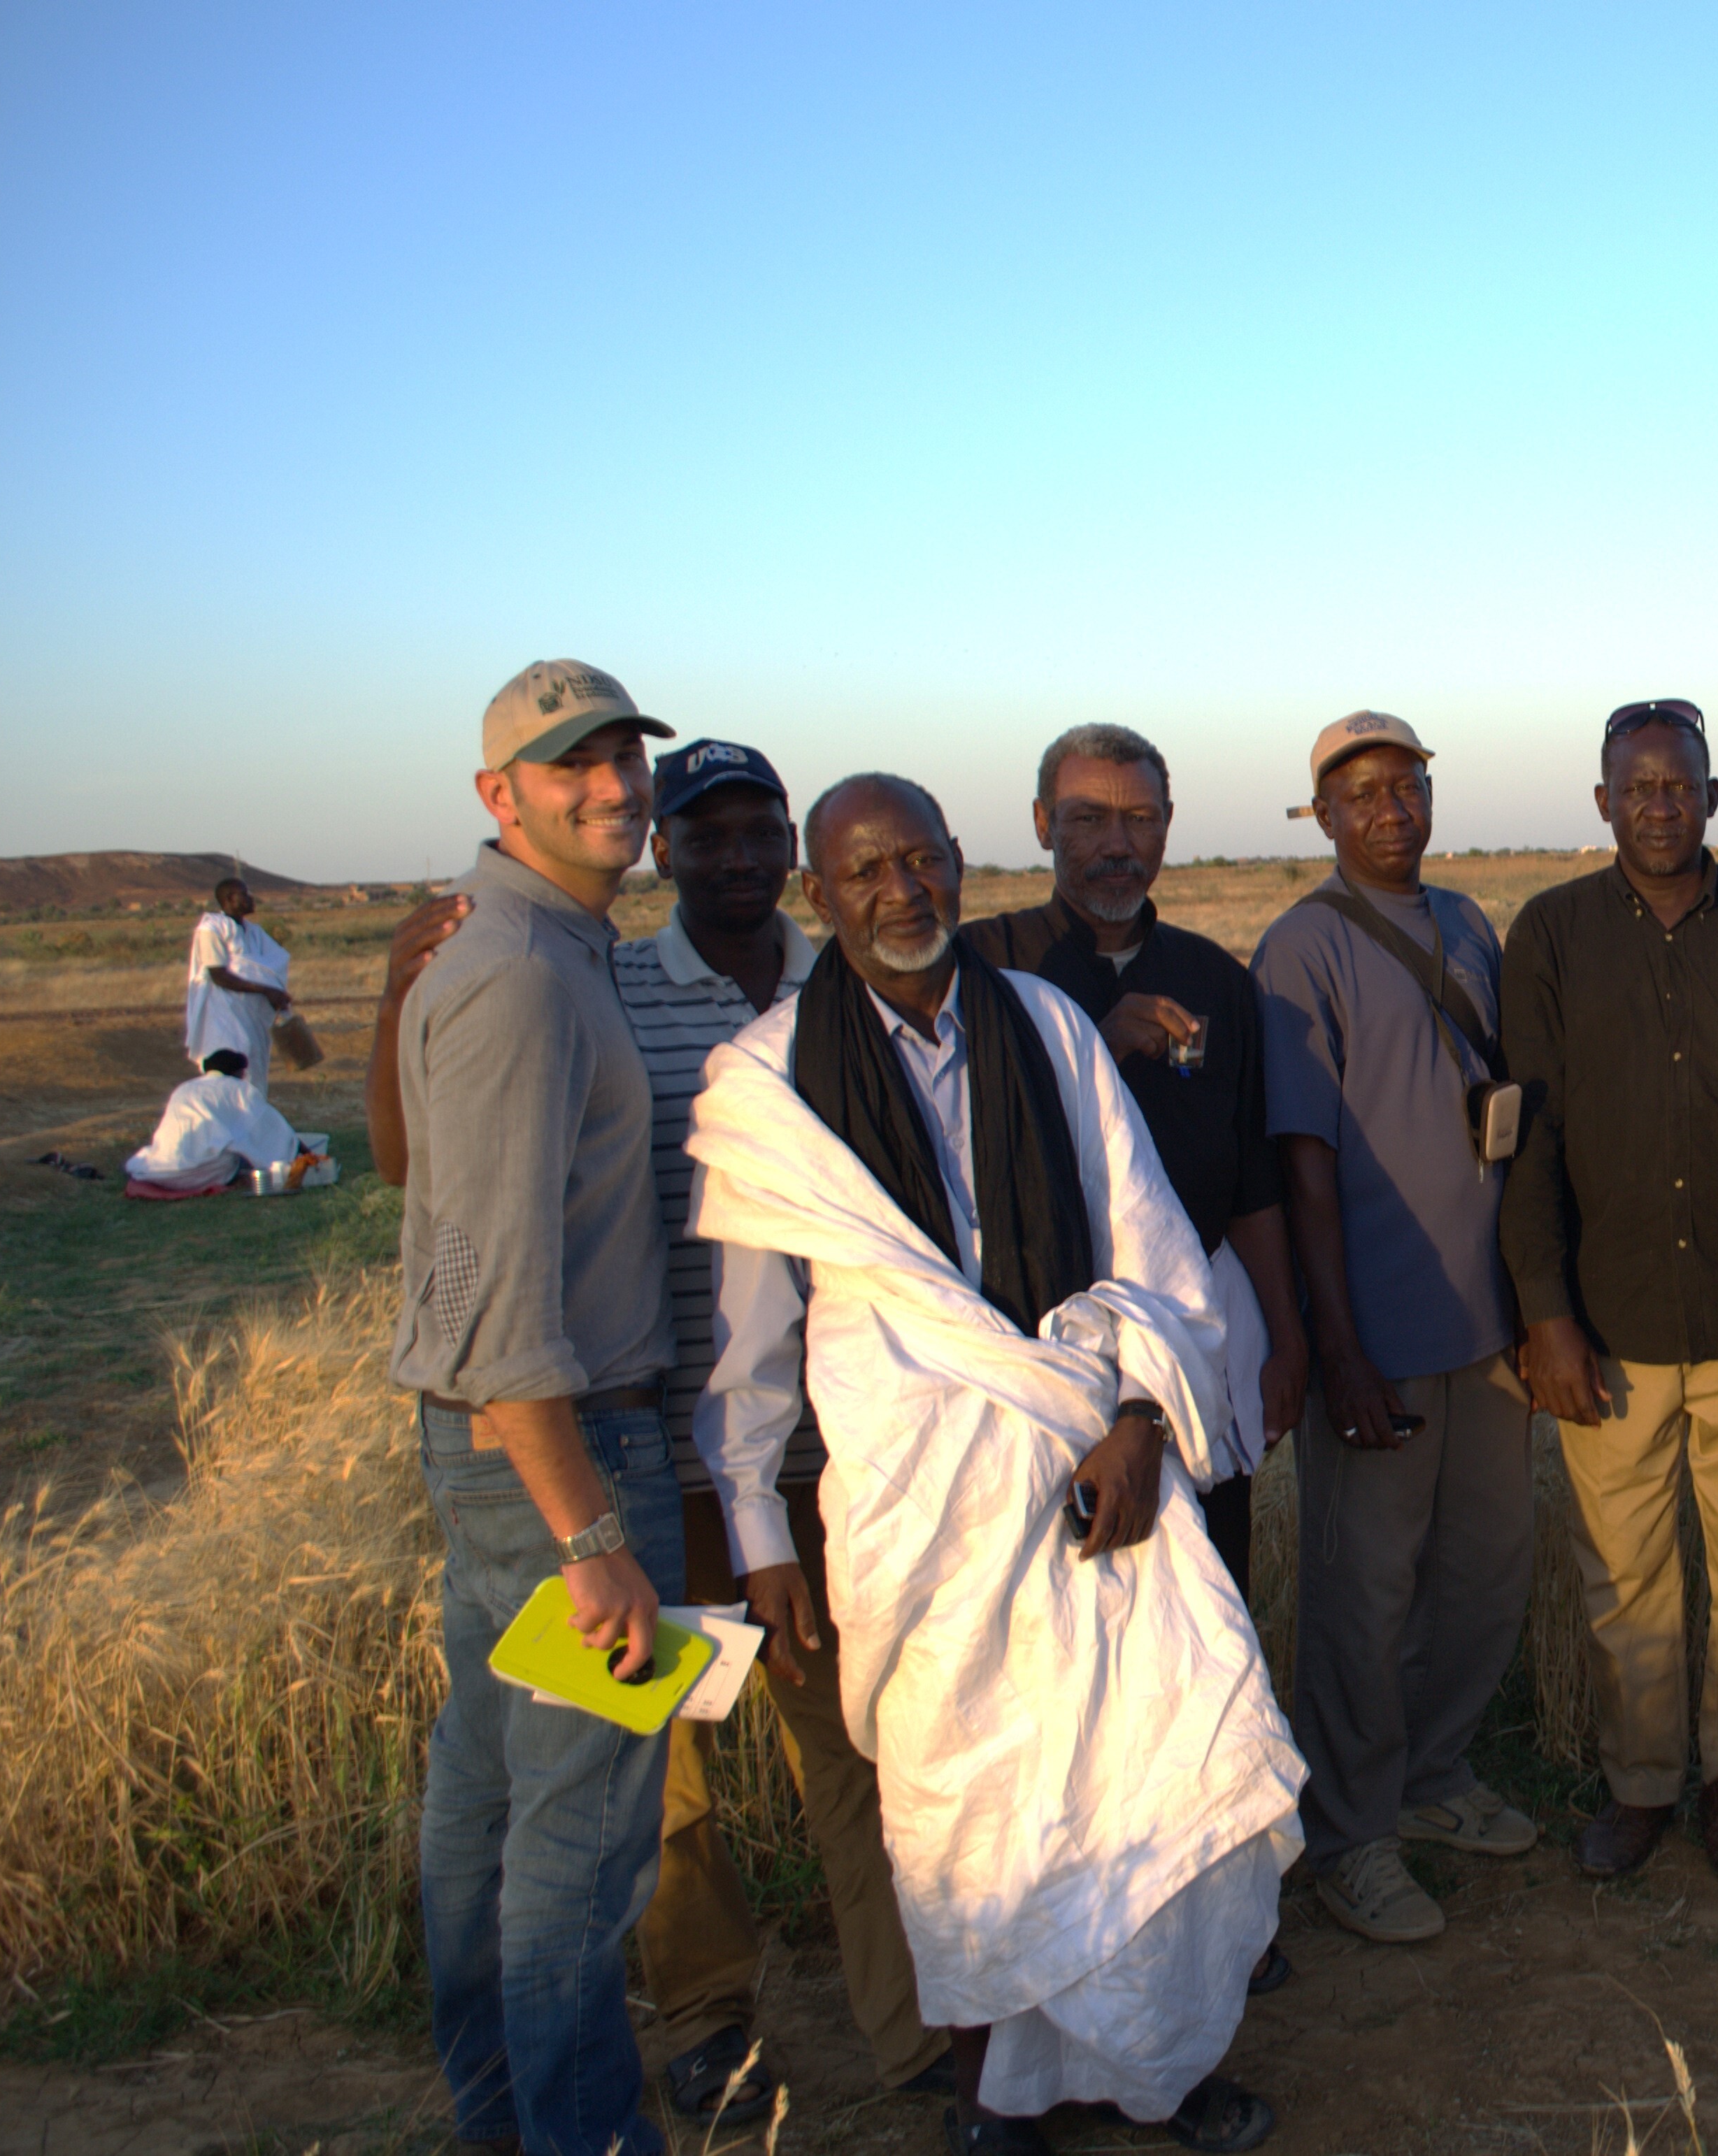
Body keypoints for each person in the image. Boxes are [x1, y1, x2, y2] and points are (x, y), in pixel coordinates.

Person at [689, 773, 1291, 2154]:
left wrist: (1142, 1420)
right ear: (818, 894)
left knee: (1141, 1768)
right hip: (918, 1505)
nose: (900, 892)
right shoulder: (769, 1081)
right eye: (864, 872)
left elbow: (1149, 1241)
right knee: (962, 1802)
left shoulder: (1047, 1024)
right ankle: (997, 2097)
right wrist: (760, 1536)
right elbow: (751, 1340)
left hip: (1092, 1466)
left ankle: (1162, 2065)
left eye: (920, 860)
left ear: (958, 864)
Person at [367, 740, 957, 2115]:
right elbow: (424, 1168)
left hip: (831, 1453)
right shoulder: (607, 989)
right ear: (664, 853)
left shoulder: (852, 984)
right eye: (705, 835)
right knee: (661, 1769)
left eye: (760, 833)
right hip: (646, 1449)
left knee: (855, 1741)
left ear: (795, 856)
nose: (735, 857)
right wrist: (400, 993)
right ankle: (705, 2021)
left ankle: (912, 2027)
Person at [388, 659, 685, 2156]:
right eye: (574, 764)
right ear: (498, 794)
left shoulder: (547, 943)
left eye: (626, 753)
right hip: (566, 1452)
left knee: (493, 1802)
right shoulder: (516, 975)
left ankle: (501, 2116)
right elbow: (501, 1306)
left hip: (511, 1449)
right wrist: (590, 1535)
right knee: (578, 1838)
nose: (615, 784)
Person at [1499, 698, 1718, 1885]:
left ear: (1712, 795)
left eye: (1678, 784)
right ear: (1603, 802)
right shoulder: (1549, 935)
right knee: (1623, 1570)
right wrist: (1544, 1311)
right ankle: (1641, 1783)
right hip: (1611, 1320)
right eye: (1637, 787)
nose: (1659, 805)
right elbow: (1529, 1138)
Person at [1252, 711, 1536, 1946]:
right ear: (1322, 815)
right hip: (1378, 1334)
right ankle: (1349, 1834)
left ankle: (1432, 1776)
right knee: (1362, 1595)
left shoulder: (1467, 923)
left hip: (1485, 1325)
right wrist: (1338, 1346)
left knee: (1483, 1572)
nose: (1389, 809)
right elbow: (1302, 1163)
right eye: (1360, 793)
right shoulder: (1300, 948)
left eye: (1405, 785)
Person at [964, 722, 1311, 1609]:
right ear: (1042, 823)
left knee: (1208, 1595)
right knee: (1058, 1604)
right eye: (1089, 819)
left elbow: (1250, 1181)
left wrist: (1286, 1340)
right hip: (1041, 1347)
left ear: (1167, 825)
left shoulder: (1213, 977)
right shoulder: (987, 967)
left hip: (1194, 1337)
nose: (1117, 845)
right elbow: (967, 1150)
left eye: (1140, 819)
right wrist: (1096, 1050)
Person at [124, 1047, 299, 1197]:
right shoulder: (239, 1089)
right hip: (208, 1172)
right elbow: (271, 1129)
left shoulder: (184, 1088)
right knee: (238, 1153)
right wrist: (299, 1149)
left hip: (163, 1174)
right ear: (240, 1072)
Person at [186, 876, 292, 1093]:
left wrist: (276, 991)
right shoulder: (212, 928)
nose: (251, 899)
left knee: (254, 1064)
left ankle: (251, 1111)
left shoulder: (254, 932)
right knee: (231, 1064)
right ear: (229, 899)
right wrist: (266, 990)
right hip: (224, 1012)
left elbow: (272, 965)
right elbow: (219, 975)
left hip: (252, 1014)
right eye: (244, 895)